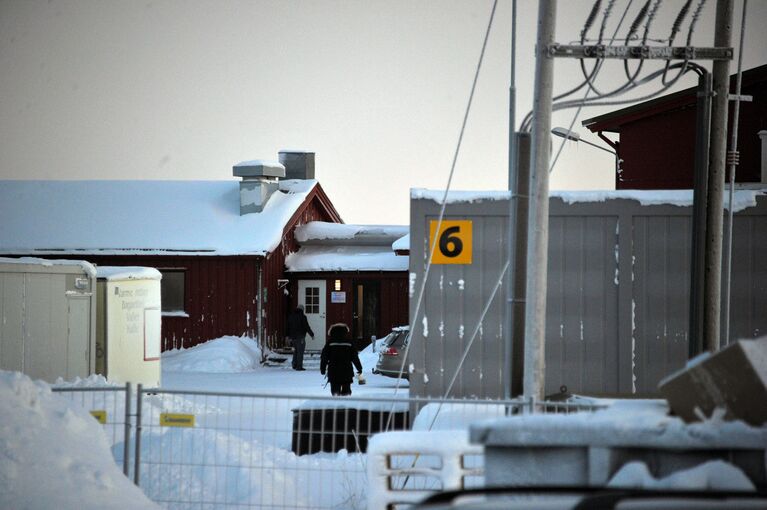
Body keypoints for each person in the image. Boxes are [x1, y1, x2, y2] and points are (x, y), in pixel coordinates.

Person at [320, 323, 363, 396]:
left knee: (335, 392)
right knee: (346, 392)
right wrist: (359, 368)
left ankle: (337, 405)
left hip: (333, 371)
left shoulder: (330, 343)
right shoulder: (349, 342)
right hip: (347, 371)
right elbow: (355, 357)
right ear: (345, 331)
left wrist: (322, 369)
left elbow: (324, 357)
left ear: (332, 331)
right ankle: (345, 405)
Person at [286, 305, 314, 370]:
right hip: (300, 337)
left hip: (293, 337)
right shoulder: (303, 317)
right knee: (300, 352)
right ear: (302, 310)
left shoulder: (291, 316)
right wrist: (312, 334)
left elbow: (287, 327)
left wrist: (287, 336)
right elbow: (306, 327)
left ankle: (294, 364)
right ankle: (299, 366)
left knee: (295, 351)